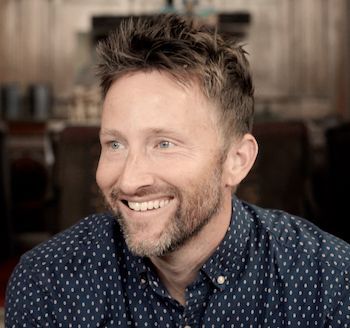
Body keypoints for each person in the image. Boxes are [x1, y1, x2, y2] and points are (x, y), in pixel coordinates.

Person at [5, 14, 350, 327]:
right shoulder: (48, 283)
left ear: (237, 160)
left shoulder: (327, 281)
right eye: (115, 144)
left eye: (164, 144)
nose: (128, 180)